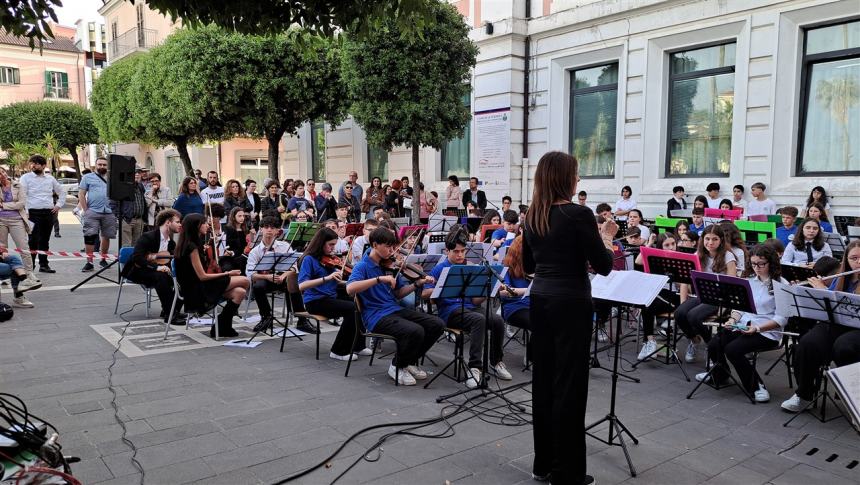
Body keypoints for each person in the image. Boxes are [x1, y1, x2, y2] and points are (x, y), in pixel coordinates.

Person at [521, 151, 615, 485]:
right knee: (570, 385)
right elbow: (603, 264)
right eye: (575, 174)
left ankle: (543, 463)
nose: (578, 180)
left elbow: (530, 266)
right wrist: (607, 236)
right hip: (571, 301)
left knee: (544, 381)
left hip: (540, 299)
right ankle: (567, 472)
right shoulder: (579, 214)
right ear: (564, 178)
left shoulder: (533, 215)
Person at [347, 227, 444, 386]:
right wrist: (379, 279)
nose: (392, 251)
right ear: (375, 244)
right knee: (415, 330)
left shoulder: (389, 266)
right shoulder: (362, 266)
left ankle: (410, 362)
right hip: (375, 316)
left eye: (393, 247)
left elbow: (398, 294)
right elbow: (350, 289)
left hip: (394, 310)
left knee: (436, 324)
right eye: (388, 247)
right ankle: (397, 366)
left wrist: (416, 284)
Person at [696, 245, 788, 402]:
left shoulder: (782, 285)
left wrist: (757, 328)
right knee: (714, 344)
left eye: (761, 264)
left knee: (733, 350)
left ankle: (757, 386)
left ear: (771, 263)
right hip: (744, 325)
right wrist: (732, 320)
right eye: (753, 264)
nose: (757, 268)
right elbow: (741, 308)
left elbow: (781, 319)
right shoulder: (749, 281)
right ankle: (720, 374)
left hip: (766, 331)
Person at [423, 226, 511, 388]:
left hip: (469, 307)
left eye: (463, 251)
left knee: (497, 320)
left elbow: (475, 302)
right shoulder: (439, 268)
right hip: (450, 311)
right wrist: (437, 287)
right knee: (479, 320)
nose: (460, 255)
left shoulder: (469, 267)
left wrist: (488, 290)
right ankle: (475, 367)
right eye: (456, 251)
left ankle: (496, 361)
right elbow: (424, 295)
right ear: (447, 251)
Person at [782, 240, 860, 413]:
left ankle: (852, 393)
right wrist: (813, 291)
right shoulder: (840, 278)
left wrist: (822, 290)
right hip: (836, 323)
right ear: (846, 260)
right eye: (854, 258)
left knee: (844, 346)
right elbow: (827, 304)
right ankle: (804, 394)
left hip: (857, 329)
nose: (858, 262)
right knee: (807, 343)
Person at [298, 227, 372, 361]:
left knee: (359, 301)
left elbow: (335, 282)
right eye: (330, 245)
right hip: (315, 301)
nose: (333, 248)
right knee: (352, 309)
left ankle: (358, 345)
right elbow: (302, 285)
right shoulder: (309, 259)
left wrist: (348, 282)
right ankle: (339, 350)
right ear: (321, 243)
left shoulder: (329, 260)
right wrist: (327, 278)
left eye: (334, 244)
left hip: (330, 296)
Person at [174, 213, 249, 338]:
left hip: (201, 284)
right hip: (197, 289)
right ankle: (221, 323)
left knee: (240, 292)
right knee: (245, 281)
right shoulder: (191, 247)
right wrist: (226, 273)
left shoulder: (191, 243)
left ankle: (221, 325)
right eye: (204, 223)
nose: (207, 225)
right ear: (196, 226)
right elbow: (202, 276)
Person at [675, 225, 738, 363]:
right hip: (702, 295)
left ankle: (712, 348)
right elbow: (685, 280)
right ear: (702, 239)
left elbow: (731, 286)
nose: (710, 242)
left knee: (694, 316)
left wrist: (724, 309)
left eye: (714, 239)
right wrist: (683, 303)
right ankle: (695, 340)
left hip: (720, 298)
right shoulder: (697, 255)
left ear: (721, 240)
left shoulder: (728, 256)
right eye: (707, 239)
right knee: (679, 313)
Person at [121, 209, 187, 324]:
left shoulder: (171, 243)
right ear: (168, 222)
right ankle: (170, 315)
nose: (180, 224)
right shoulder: (148, 237)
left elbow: (170, 261)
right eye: (177, 222)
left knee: (184, 278)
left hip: (159, 272)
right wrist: (156, 267)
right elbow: (137, 257)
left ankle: (172, 310)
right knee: (160, 276)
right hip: (138, 270)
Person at [634, 232, 682, 361]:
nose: (671, 247)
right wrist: (649, 243)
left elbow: (684, 286)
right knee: (647, 304)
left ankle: (649, 342)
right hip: (658, 294)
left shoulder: (682, 258)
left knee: (647, 305)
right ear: (661, 247)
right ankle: (650, 341)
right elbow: (638, 261)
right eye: (667, 245)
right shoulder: (656, 258)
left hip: (675, 295)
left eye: (673, 244)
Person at [19, 155, 65, 274]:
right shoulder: (25, 178)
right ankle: (31, 266)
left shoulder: (50, 179)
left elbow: (62, 192)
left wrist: (58, 205)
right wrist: (26, 212)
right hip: (32, 213)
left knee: (45, 240)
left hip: (48, 213)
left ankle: (44, 265)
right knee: (33, 240)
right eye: (32, 163)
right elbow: (22, 196)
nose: (33, 165)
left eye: (36, 163)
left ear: (44, 166)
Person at [78, 157, 117, 272]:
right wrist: (86, 210)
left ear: (108, 166)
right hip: (92, 211)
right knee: (89, 237)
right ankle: (89, 262)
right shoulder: (87, 177)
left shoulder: (112, 178)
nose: (102, 167)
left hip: (109, 212)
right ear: (95, 165)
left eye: (104, 165)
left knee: (106, 236)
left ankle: (103, 259)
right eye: (99, 164)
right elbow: (81, 194)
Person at [0, 168, 37, 281]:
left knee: (24, 248)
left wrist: (3, 206)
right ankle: (3, 275)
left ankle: (29, 273)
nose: (2, 175)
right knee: (2, 248)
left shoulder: (18, 185)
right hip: (1, 220)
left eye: (3, 172)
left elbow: (21, 204)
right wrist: (12, 204)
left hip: (17, 220)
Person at [500, 236, 532, 358]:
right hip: (514, 307)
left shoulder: (533, 266)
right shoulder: (507, 268)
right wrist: (527, 290)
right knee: (540, 321)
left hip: (533, 304)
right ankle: (531, 357)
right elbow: (503, 292)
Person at [113, 171, 147, 249]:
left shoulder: (140, 186)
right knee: (126, 246)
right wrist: (120, 217)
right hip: (127, 219)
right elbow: (113, 204)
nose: (137, 174)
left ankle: (134, 261)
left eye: (139, 172)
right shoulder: (122, 187)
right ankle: (126, 261)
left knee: (137, 245)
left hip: (139, 219)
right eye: (135, 172)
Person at [221, 207, 253, 273]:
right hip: (231, 257)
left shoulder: (246, 229)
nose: (242, 218)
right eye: (239, 216)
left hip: (244, 256)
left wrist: (252, 237)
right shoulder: (228, 229)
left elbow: (248, 245)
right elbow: (228, 246)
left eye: (243, 216)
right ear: (233, 217)